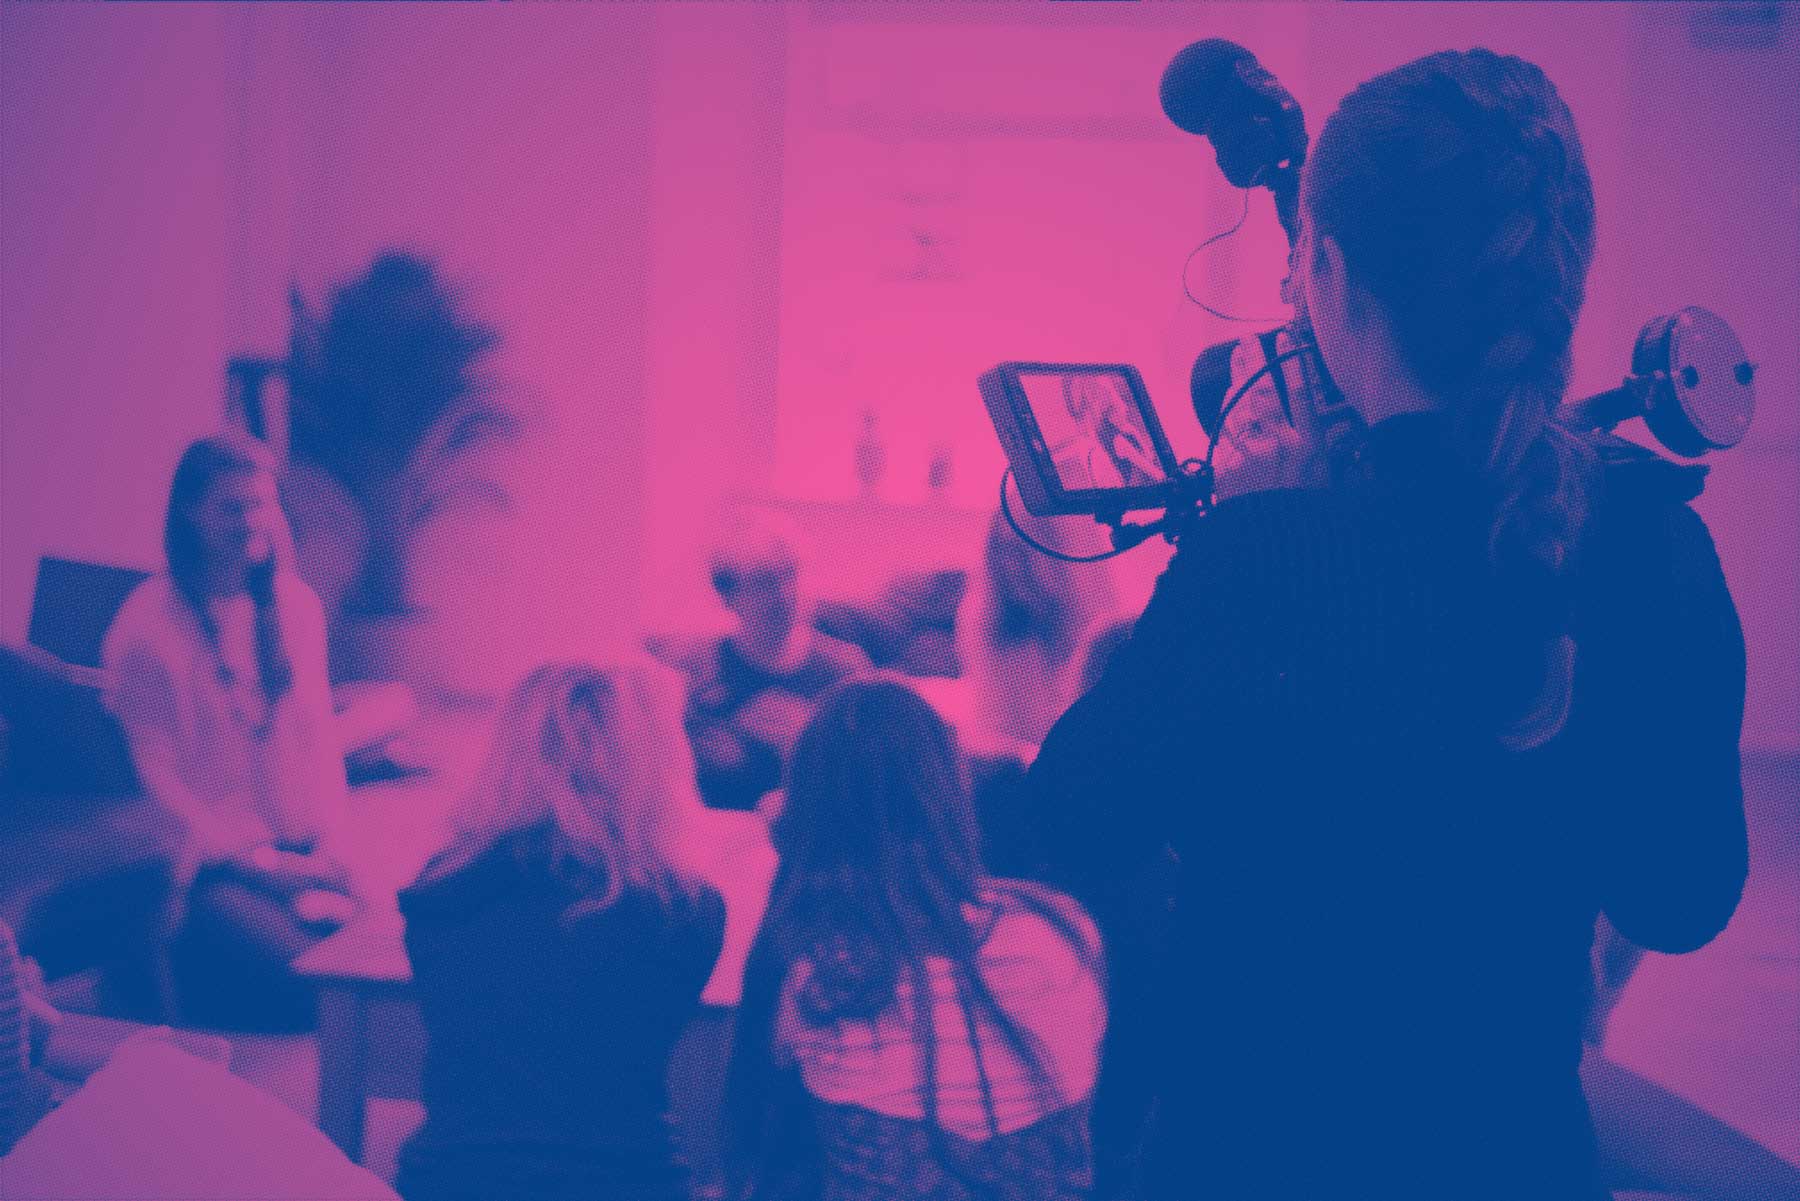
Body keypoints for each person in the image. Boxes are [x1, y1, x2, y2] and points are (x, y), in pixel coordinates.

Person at [1027, 49, 1748, 1200]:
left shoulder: (1263, 549)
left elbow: (1069, 823)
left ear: (1323, 267)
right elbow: (1682, 893)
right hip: (1512, 1161)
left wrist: (1236, 550)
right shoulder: (1652, 541)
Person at [724, 679, 1106, 1201]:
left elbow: (750, 1124)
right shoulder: (1062, 927)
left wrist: (795, 862)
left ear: (809, 812)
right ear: (952, 791)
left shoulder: (820, 973)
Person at [396, 661, 725, 1201]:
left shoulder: (438, 890)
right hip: (624, 1183)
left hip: (451, 1180)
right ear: (658, 763)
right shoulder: (687, 909)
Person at [102, 434, 353, 1030]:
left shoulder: (296, 607)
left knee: (397, 951)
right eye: (233, 507)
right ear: (189, 512)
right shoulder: (145, 629)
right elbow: (158, 787)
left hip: (302, 855)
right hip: (211, 873)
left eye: (261, 504)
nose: (252, 522)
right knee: (317, 990)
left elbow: (318, 741)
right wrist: (258, 864)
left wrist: (333, 850)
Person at [671, 517, 868, 812]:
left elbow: (868, 783)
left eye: (791, 575)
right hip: (719, 829)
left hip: (813, 831)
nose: (784, 595)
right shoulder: (694, 672)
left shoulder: (847, 672)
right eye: (764, 582)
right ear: (727, 597)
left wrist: (808, 744)